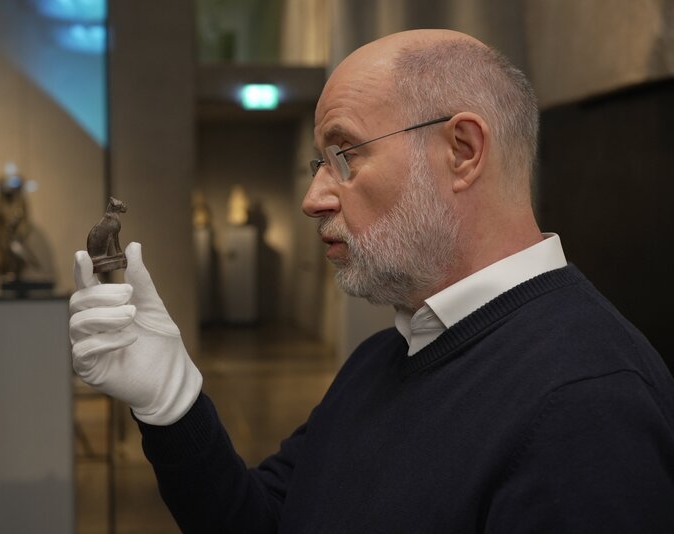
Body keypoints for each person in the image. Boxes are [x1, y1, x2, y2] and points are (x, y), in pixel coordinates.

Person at [68, 29, 674, 532]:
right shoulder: (386, 356)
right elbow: (266, 519)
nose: (312, 198)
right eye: (319, 162)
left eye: (345, 155)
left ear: (462, 150)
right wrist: (171, 404)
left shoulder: (586, 404)